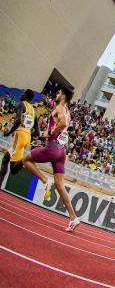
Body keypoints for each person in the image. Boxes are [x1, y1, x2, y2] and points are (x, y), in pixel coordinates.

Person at [20, 88, 80, 231]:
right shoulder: (68, 111)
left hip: (53, 148)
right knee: (60, 185)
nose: (56, 94)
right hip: (61, 151)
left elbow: (63, 124)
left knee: (26, 160)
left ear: (63, 97)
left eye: (59, 93)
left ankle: (45, 180)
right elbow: (64, 124)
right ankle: (73, 218)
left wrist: (50, 133)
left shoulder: (59, 107)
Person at [1, 89, 36, 181]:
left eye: (23, 93)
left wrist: (8, 133)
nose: (21, 94)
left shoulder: (21, 104)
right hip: (27, 136)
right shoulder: (33, 110)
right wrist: (27, 134)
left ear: (26, 96)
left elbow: (18, 121)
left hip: (20, 136)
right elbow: (37, 132)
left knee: (13, 170)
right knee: (5, 159)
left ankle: (26, 159)